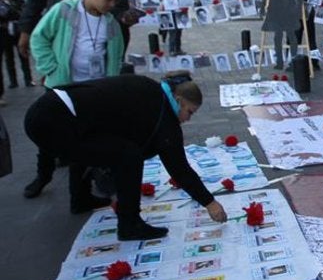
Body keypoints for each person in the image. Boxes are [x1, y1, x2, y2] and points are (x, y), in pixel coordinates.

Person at [23, 72, 228, 240]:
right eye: (189, 112)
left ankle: (81, 198)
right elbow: (178, 168)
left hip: (47, 110)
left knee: (93, 144)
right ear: (178, 100)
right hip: (54, 121)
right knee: (128, 156)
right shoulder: (164, 117)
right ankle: (130, 224)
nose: (188, 119)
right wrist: (210, 203)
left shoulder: (151, 91)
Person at [29, 0, 127, 212]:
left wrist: (110, 88)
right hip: (63, 87)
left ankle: (80, 196)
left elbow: (114, 57)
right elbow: (38, 38)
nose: (111, 5)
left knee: (84, 144)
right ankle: (42, 176)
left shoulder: (111, 23)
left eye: (116, 1)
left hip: (93, 92)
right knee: (50, 140)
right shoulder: (65, 11)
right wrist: (51, 67)